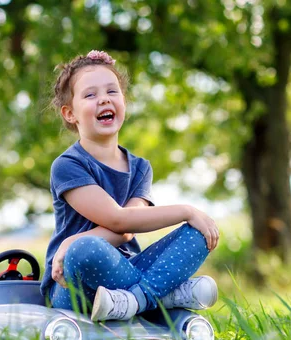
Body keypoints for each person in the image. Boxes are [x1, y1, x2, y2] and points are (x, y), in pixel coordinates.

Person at [39, 50, 220, 322]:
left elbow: (127, 230)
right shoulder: (68, 165)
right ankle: (162, 295)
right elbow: (119, 221)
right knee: (84, 250)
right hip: (74, 283)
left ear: (124, 101)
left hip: (128, 267)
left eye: (112, 91)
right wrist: (186, 210)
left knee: (199, 232)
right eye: (90, 95)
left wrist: (192, 217)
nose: (103, 99)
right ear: (70, 113)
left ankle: (137, 299)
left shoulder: (140, 167)